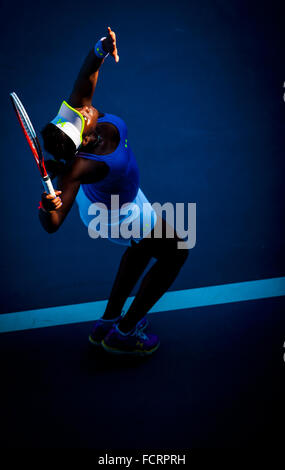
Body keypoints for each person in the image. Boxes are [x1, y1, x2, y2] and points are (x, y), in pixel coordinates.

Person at [39, 26, 189, 356]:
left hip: (127, 196)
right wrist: (46, 204)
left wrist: (101, 48)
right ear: (83, 138)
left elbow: (87, 73)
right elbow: (53, 223)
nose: (83, 107)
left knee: (142, 249)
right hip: (117, 215)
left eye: (78, 110)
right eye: (81, 115)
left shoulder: (76, 117)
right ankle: (124, 330)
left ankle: (108, 321)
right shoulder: (80, 167)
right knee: (177, 249)